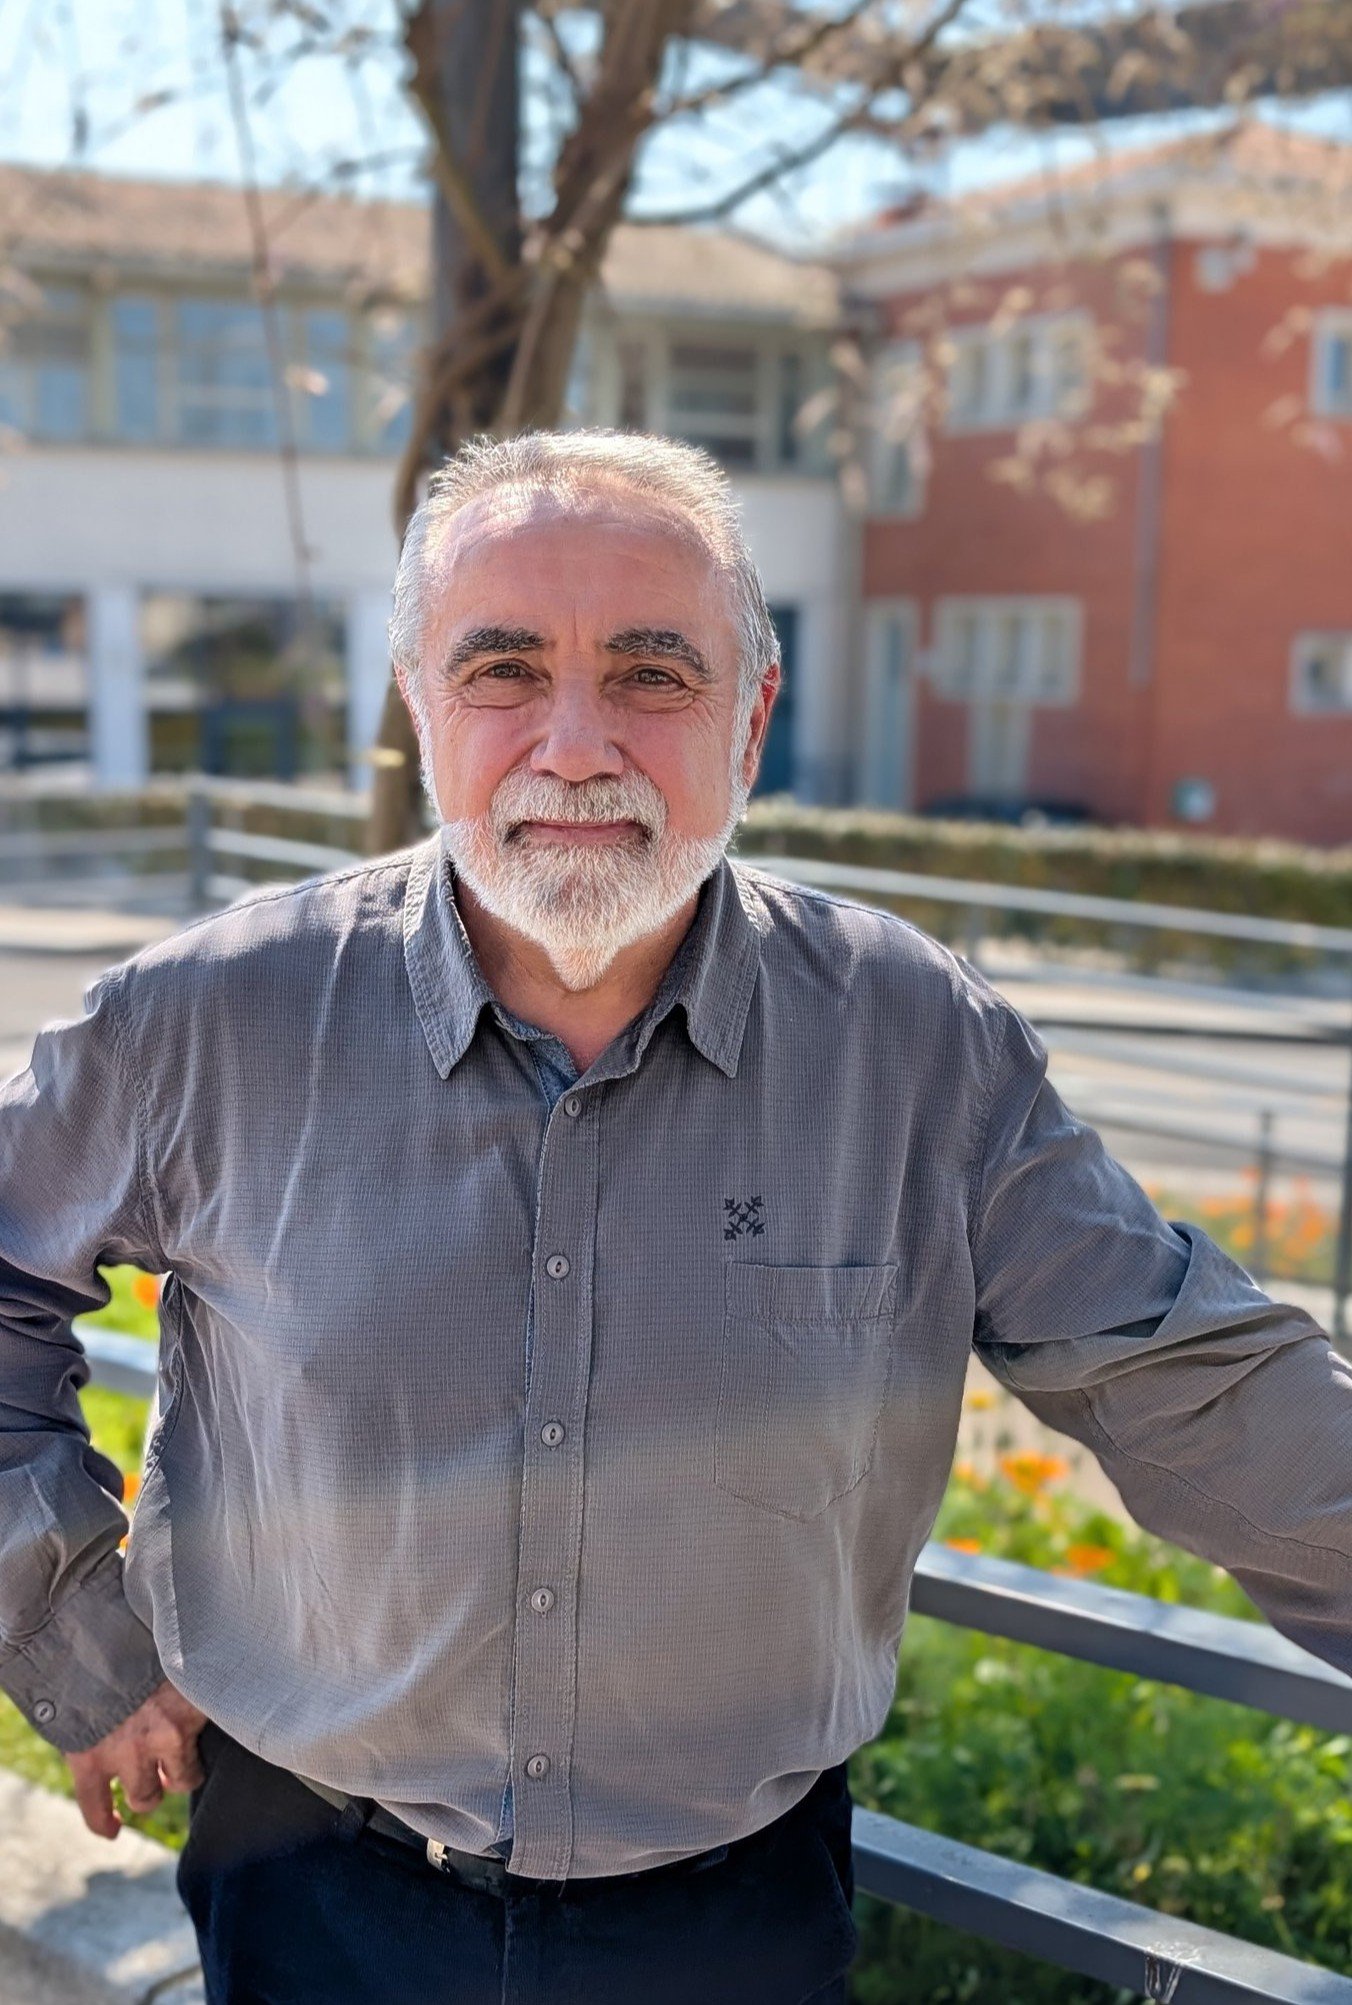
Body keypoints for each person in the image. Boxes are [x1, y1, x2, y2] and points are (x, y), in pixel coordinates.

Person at [2, 430, 1350, 2005]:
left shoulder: (915, 1045)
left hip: (737, 1928)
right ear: (421, 705)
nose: (577, 745)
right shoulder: (205, 1019)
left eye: (653, 674)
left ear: (752, 716)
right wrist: (77, 1634)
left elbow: (1192, 1379)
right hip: (313, 1899)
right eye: (504, 670)